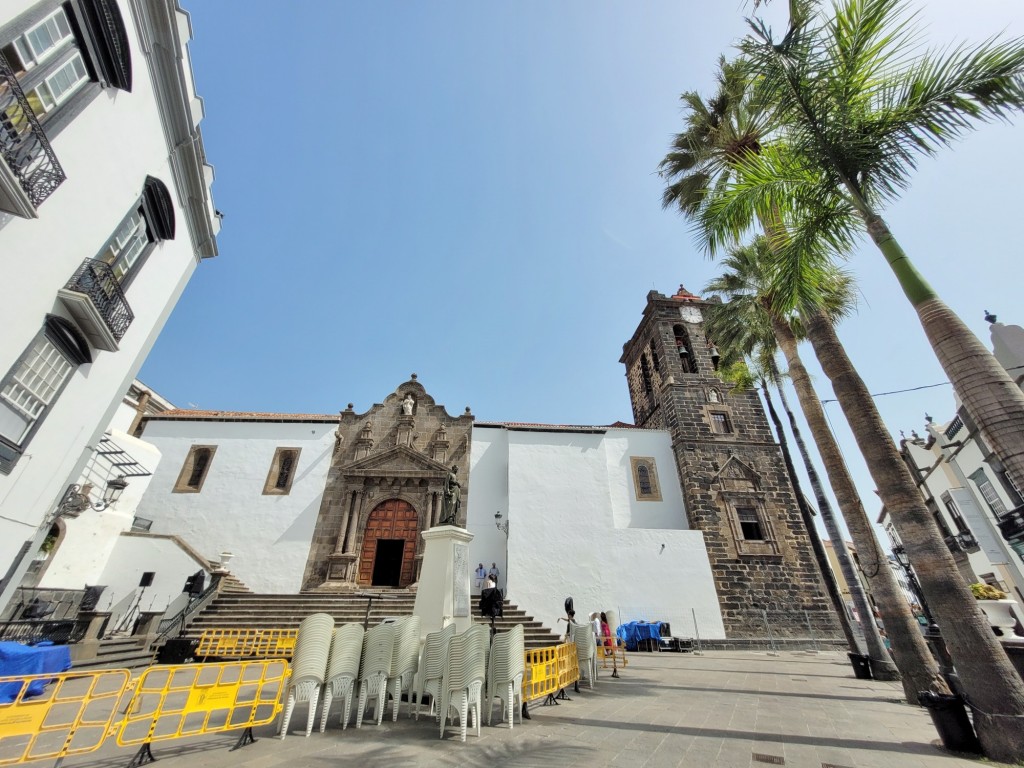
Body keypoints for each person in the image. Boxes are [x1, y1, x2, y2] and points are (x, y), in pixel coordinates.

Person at [601, 611, 620, 678]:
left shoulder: (602, 624)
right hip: (609, 640)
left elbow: (604, 632)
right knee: (612, 656)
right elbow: (607, 631)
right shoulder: (606, 623)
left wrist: (603, 639)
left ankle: (615, 670)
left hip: (607, 640)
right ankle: (615, 670)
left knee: (609, 655)